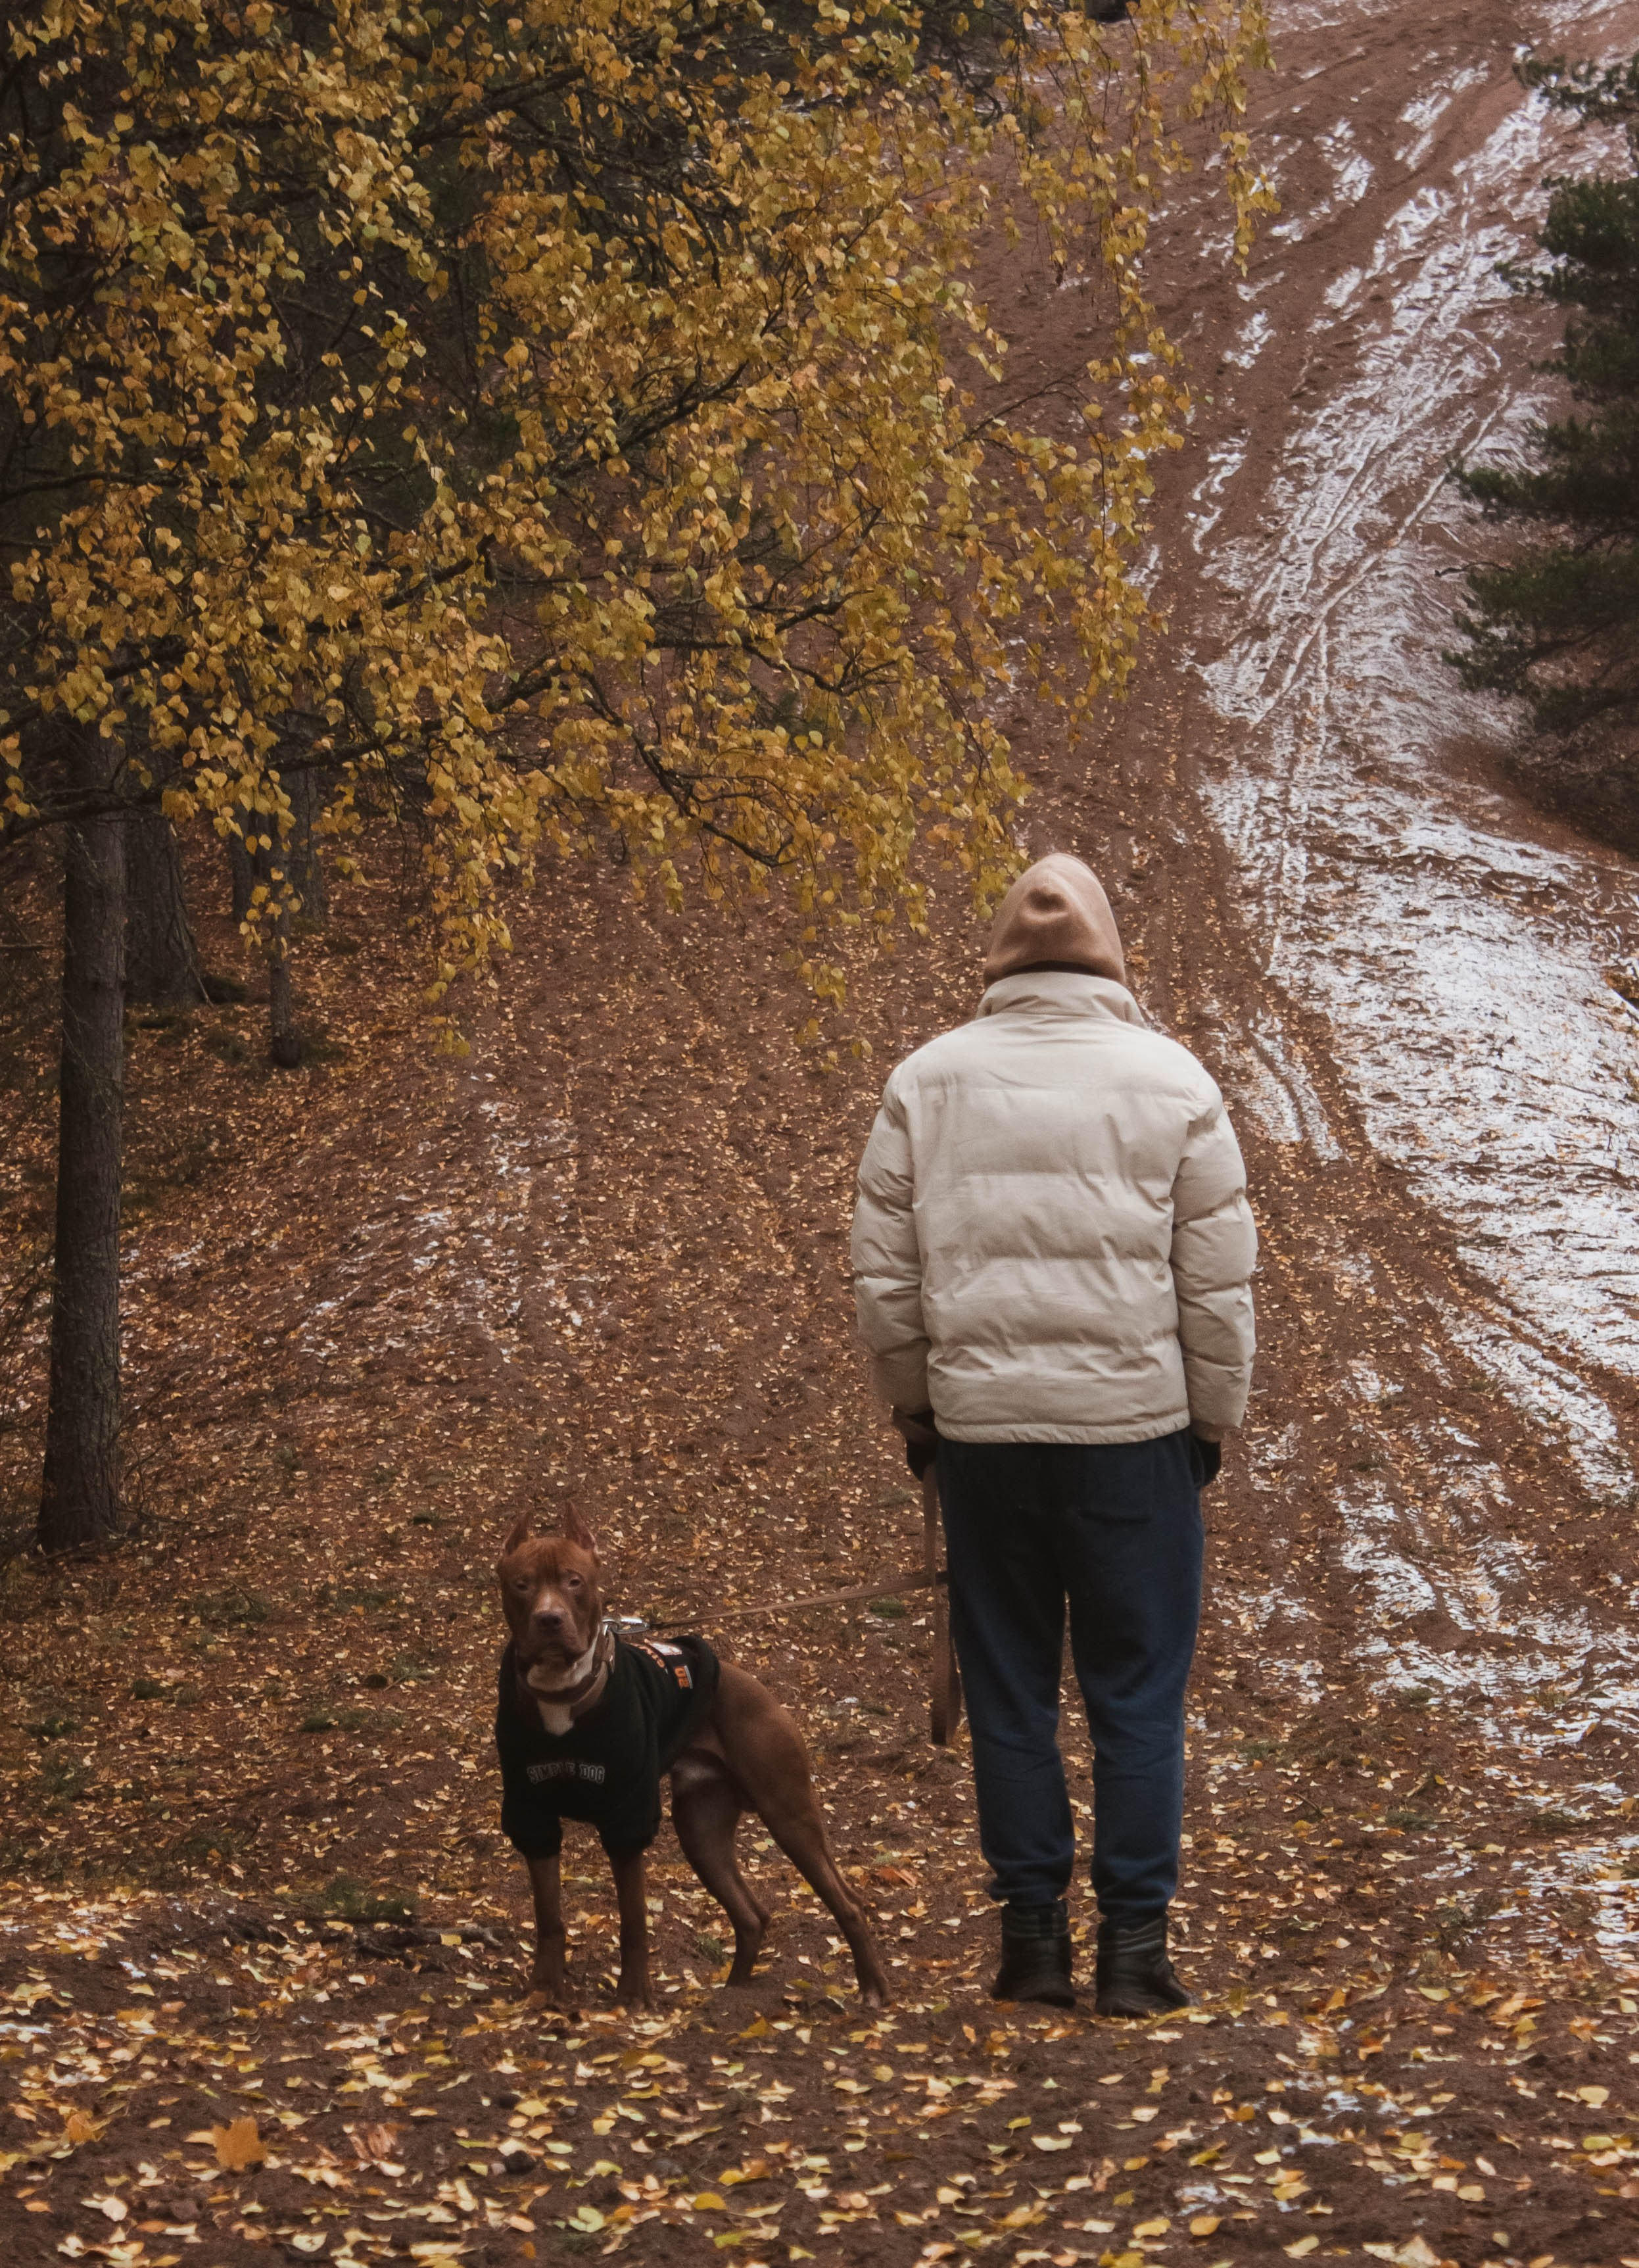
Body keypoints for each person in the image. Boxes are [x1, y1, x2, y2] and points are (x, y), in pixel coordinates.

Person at [850, 853, 1256, 2013]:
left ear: (1002, 954)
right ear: (1109, 954)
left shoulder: (924, 1084)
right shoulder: (1174, 1081)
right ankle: (1134, 1951)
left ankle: (1031, 1945)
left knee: (1012, 1692)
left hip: (988, 1446)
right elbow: (1216, 1285)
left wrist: (923, 1413)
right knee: (1137, 1695)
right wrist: (1207, 1429)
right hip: (1136, 1441)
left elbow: (884, 1279)